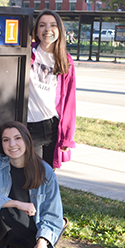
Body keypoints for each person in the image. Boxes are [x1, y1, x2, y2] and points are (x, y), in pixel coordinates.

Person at [27, 10, 76, 169]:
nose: (47, 29)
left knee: (47, 179)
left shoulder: (65, 61)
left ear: (59, 30)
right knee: (30, 176)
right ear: (36, 30)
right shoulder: (27, 53)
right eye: (42, 25)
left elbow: (69, 101)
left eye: (53, 25)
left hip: (51, 128)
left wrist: (66, 137)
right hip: (28, 125)